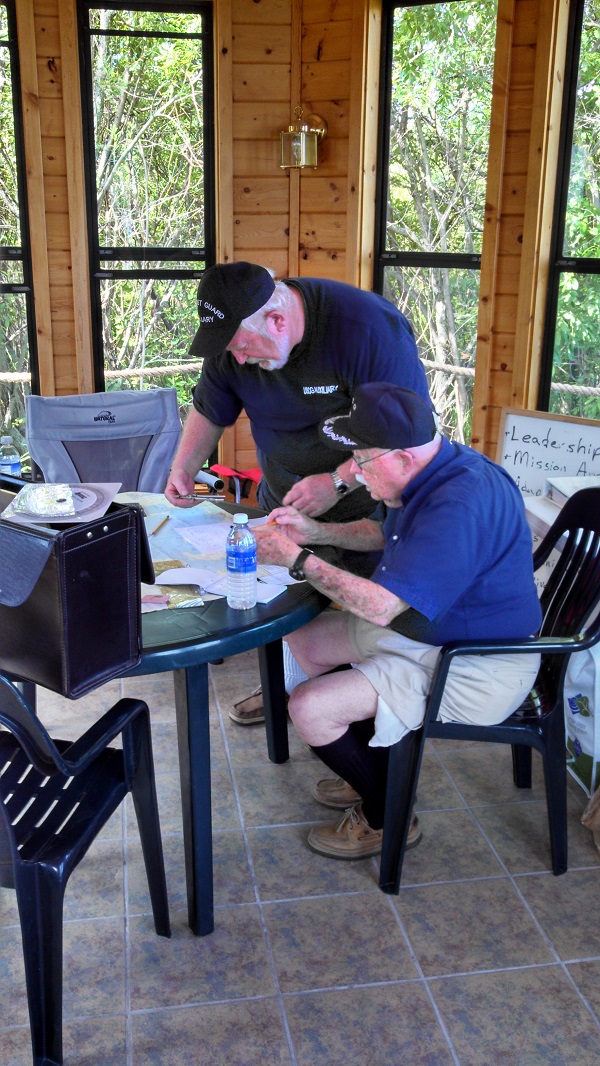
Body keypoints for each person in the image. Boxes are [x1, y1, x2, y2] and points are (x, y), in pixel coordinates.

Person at [252, 383, 542, 861]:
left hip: (477, 664)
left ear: (403, 458)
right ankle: (373, 767)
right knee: (304, 639)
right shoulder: (436, 470)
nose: (358, 476)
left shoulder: (461, 503)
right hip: (434, 632)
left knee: (309, 708)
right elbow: (381, 534)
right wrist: (316, 531)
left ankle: (389, 813)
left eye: (362, 462)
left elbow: (383, 607)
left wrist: (297, 559)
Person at [165, 261, 433, 724]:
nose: (241, 360)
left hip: (365, 499)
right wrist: (182, 468)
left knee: (364, 610)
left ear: (277, 320)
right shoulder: (236, 335)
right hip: (284, 492)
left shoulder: (368, 328)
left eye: (244, 347)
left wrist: (339, 480)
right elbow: (210, 408)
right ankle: (287, 687)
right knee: (286, 601)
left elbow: (404, 430)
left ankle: (361, 718)